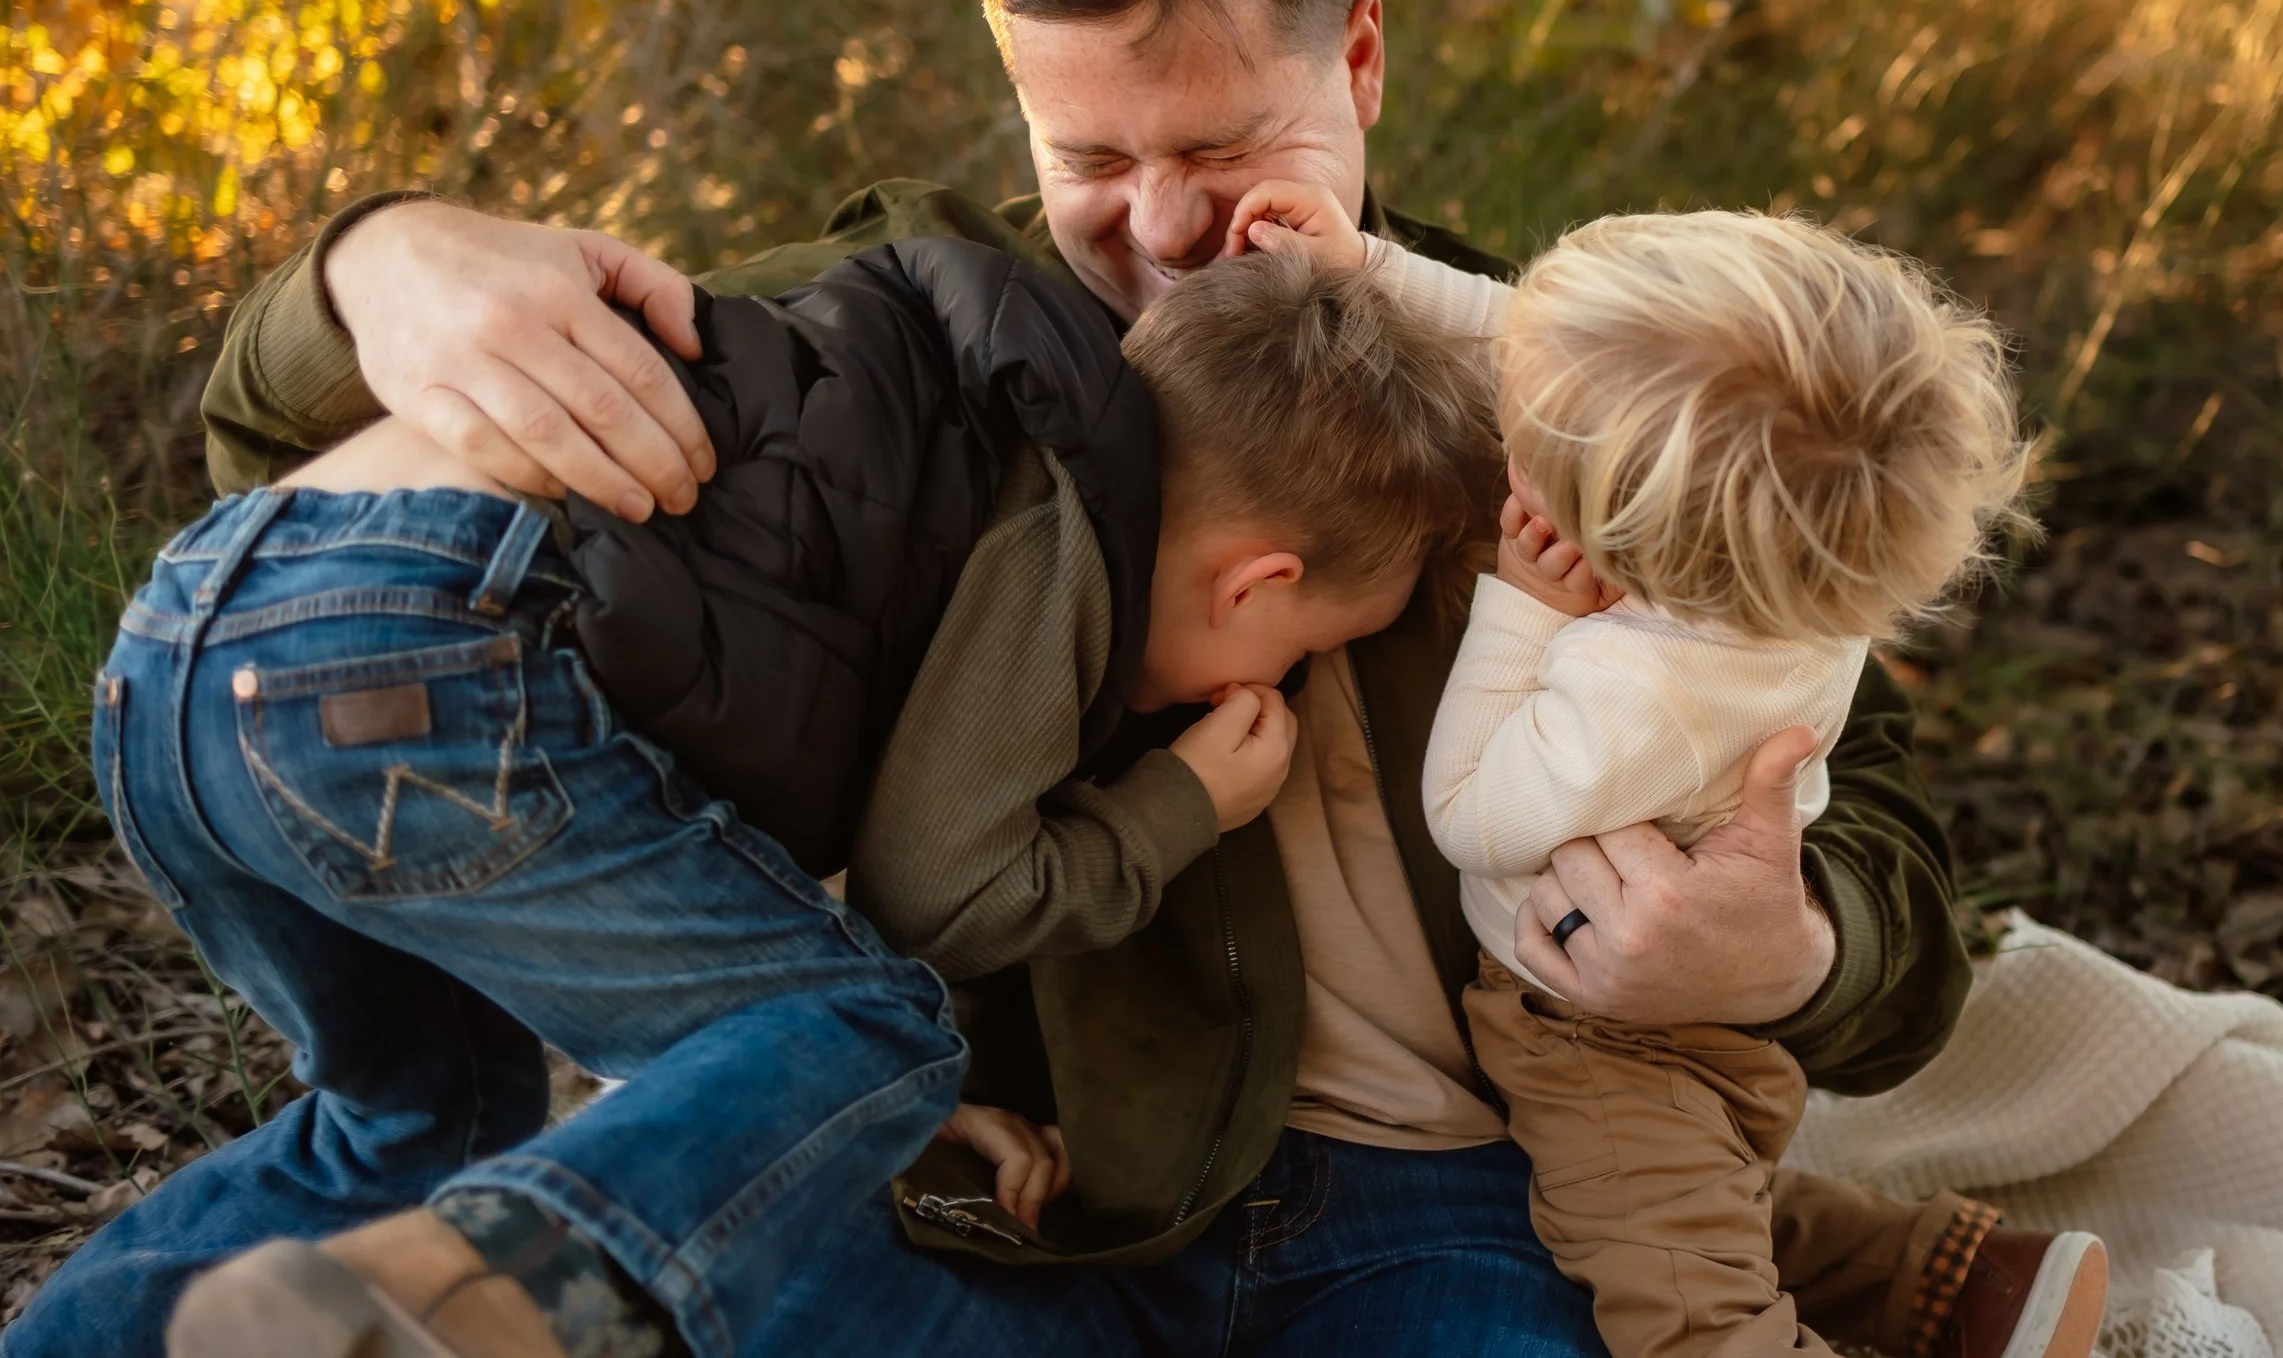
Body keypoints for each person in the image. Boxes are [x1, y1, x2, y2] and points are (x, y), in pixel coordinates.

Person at [99, 0, 2081, 1358]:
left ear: (1361, 60)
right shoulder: (940, 333)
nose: (1157, 226)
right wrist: (375, 260)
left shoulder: (1578, 388)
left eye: (1225, 151)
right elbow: (305, 487)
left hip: (1438, 1191)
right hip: (1042, 1180)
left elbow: (1873, 835)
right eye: (1089, 160)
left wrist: (1793, 944)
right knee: (606, 1236)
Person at [32, 244, 1493, 1358]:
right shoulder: (1077, 528)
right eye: (1293, 653)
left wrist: (818, 1120)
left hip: (195, 640)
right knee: (884, 1022)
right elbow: (936, 890)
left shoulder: (944, 370)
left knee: (411, 1119)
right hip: (425, 651)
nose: (1270, 686)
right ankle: (504, 1304)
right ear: (1258, 581)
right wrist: (1179, 799)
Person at [1232, 184, 2112, 1358]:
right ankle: (1949, 1282)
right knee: (1647, 1202)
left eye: (1530, 442)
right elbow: (1527, 340)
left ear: (1614, 538)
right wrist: (1372, 267)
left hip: (1605, 1029)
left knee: (1669, 1288)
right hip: (1653, 1019)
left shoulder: (1642, 689)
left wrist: (1525, 611)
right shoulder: (1794, 560)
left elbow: (1471, 811)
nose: (1510, 410)